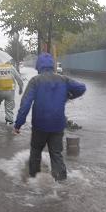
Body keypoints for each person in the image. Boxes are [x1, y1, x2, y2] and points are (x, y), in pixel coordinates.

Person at [13, 53, 86, 181]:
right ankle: (60, 183)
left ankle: (33, 181)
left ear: (38, 66)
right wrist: (69, 95)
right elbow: (81, 88)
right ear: (52, 65)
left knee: (35, 152)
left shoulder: (35, 81)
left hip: (39, 125)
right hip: (58, 125)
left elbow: (25, 104)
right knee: (56, 154)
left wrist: (18, 124)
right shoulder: (63, 80)